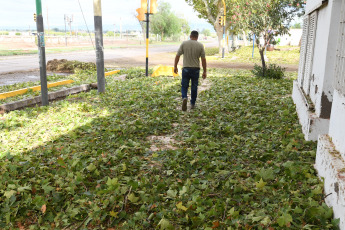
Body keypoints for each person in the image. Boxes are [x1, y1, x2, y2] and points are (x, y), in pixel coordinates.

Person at [174, 30, 207, 111]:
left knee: (184, 85)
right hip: (196, 69)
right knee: (194, 86)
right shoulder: (200, 45)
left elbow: (177, 56)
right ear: (197, 37)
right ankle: (192, 103)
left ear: (190, 36)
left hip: (186, 68)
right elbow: (203, 60)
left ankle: (184, 97)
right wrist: (205, 71)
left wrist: (175, 66)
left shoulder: (184, 44)